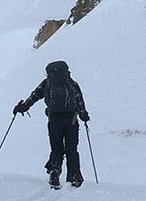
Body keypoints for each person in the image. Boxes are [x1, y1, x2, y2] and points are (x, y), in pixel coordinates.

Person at [13, 60, 90, 188]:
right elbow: (79, 99)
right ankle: (74, 176)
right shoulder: (72, 83)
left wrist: (23, 107)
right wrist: (83, 115)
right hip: (71, 120)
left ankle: (55, 171)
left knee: (56, 148)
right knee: (72, 149)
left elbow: (35, 96)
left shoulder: (47, 83)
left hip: (54, 120)